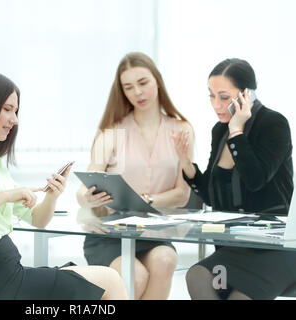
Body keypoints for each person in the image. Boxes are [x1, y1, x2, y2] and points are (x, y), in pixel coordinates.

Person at [0, 71, 128, 300]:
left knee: (99, 283)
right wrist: (6, 195)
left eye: (15, 111)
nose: (14, 120)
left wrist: (53, 196)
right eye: (7, 109)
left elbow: (38, 220)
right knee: (111, 281)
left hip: (8, 274)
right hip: (0, 282)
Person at [173, 58, 296, 300]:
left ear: (246, 95)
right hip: (237, 245)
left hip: (276, 246)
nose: (215, 105)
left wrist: (237, 131)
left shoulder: (274, 124)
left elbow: (256, 180)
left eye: (224, 97)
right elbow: (211, 194)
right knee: (197, 275)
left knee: (239, 297)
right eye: (211, 96)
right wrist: (187, 165)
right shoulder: (219, 130)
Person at [76, 52, 194, 300]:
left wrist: (146, 200)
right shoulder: (111, 132)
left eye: (143, 83)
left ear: (157, 81)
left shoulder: (181, 130)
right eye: (128, 87)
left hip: (154, 233)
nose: (137, 93)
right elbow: (85, 185)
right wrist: (87, 197)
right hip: (110, 234)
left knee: (166, 259)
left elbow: (182, 194)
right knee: (135, 275)